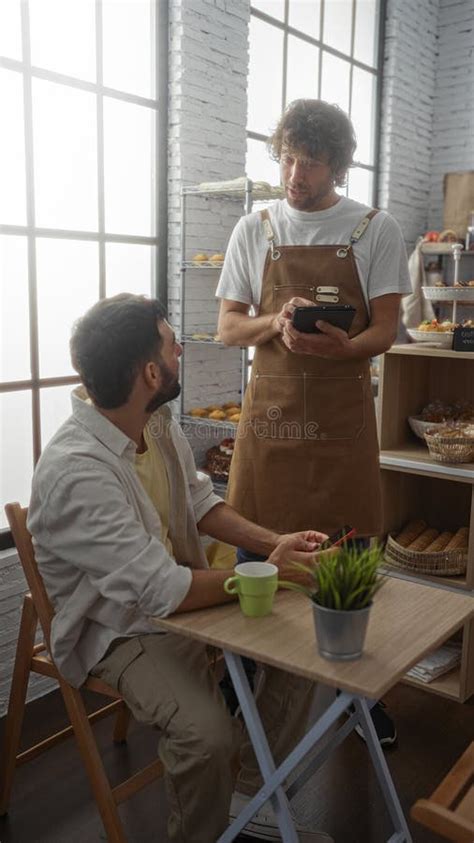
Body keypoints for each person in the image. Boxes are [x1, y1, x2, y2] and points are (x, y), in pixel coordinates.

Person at [27, 294, 334, 843]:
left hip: (177, 592)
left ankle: (248, 792)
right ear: (150, 372)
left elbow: (198, 503)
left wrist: (273, 545)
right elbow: (159, 592)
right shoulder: (77, 471)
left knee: (300, 652)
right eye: (173, 344)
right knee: (205, 735)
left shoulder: (155, 419)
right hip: (118, 626)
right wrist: (273, 574)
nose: (182, 350)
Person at [216, 99, 412, 747]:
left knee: (350, 556)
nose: (296, 173)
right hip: (270, 423)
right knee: (254, 550)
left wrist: (343, 347)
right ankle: (239, 679)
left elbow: (386, 328)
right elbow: (226, 328)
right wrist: (273, 322)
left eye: (312, 161)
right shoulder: (256, 227)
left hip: (342, 422)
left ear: (339, 165)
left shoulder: (374, 228)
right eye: (288, 157)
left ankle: (358, 693)